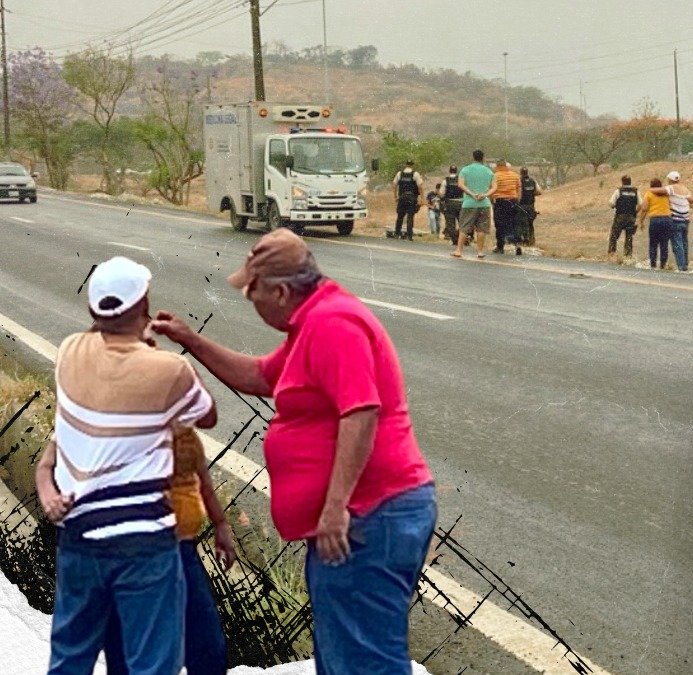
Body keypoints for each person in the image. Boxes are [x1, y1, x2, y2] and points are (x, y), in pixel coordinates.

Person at [150, 230, 438, 675]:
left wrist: (335, 507)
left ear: (281, 291)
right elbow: (260, 376)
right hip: (360, 518)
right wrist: (192, 339)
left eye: (252, 290)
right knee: (343, 655)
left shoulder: (333, 324)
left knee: (365, 661)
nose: (249, 298)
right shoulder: (311, 324)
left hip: (368, 516)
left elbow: (361, 412)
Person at [40, 256, 218, 675]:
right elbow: (206, 415)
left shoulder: (69, 351)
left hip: (80, 536)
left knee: (70, 656)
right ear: (145, 306)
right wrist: (177, 343)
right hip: (145, 543)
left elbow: (98, 337)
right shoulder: (169, 369)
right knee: (151, 662)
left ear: (92, 312)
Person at [63, 423, 238, 675]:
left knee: (209, 649)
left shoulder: (186, 439)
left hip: (181, 554)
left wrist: (221, 525)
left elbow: (204, 485)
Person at [648, 171, 693, 272]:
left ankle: (681, 267)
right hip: (686, 219)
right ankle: (685, 265)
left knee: (677, 244)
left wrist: (650, 189)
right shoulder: (686, 189)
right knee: (684, 243)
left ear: (670, 180)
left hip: (675, 219)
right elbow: (691, 203)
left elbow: (657, 191)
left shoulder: (671, 188)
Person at [455, 150, 496, 259]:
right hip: (484, 203)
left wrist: (472, 194)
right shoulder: (489, 171)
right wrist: (485, 194)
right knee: (481, 229)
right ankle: (480, 251)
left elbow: (460, 184)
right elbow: (494, 187)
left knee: (464, 227)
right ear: (483, 158)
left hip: (469, 203)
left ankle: (459, 250)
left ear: (473, 157)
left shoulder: (465, 170)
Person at [637, 178, 672, 270]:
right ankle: (663, 266)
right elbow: (670, 205)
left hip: (655, 220)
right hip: (667, 219)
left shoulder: (649, 193)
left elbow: (644, 209)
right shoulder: (666, 194)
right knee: (664, 244)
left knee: (653, 243)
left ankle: (653, 265)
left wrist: (641, 221)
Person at [492, 160, 523, 255]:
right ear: (506, 166)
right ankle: (517, 244)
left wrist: (493, 201)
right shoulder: (515, 175)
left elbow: (492, 189)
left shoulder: (495, 176)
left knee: (500, 224)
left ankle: (500, 246)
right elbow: (519, 189)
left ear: (498, 166)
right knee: (514, 223)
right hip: (513, 201)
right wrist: (517, 200)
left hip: (500, 201)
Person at [608, 175, 641, 261]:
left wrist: (615, 206)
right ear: (630, 181)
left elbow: (611, 203)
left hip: (620, 217)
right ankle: (628, 256)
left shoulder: (618, 191)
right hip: (631, 217)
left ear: (622, 182)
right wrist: (635, 212)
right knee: (629, 237)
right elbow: (641, 204)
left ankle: (612, 254)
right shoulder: (636, 191)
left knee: (614, 236)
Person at [389, 160, 423, 241]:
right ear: (412, 165)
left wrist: (395, 196)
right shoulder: (415, 174)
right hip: (411, 198)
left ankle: (397, 234)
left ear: (405, 165)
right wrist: (422, 198)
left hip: (402, 197)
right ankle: (409, 236)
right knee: (410, 217)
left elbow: (394, 185)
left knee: (400, 216)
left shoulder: (399, 174)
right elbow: (420, 186)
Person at [518, 167, 542, 246]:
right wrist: (531, 193)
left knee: (522, 224)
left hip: (522, 206)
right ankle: (532, 241)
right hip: (531, 206)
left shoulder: (519, 181)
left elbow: (518, 193)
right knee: (530, 224)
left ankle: (525, 240)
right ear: (527, 172)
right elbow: (539, 192)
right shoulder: (532, 180)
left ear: (521, 173)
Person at [439, 166, 463, 244]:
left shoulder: (445, 181)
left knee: (450, 224)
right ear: (457, 171)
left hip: (450, 203)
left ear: (449, 171)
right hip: (461, 203)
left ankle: (455, 240)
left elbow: (441, 194)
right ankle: (461, 239)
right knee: (462, 223)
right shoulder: (461, 179)